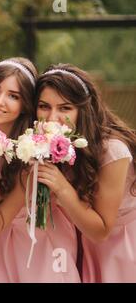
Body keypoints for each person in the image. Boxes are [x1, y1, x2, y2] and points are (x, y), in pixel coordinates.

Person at [0, 58, 81, 282]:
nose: (0, 101)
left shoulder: (30, 152)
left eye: (14, 95)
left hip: (39, 243)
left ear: (26, 104)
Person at [35, 63, 136, 282]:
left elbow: (101, 231)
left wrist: (62, 187)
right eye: (44, 106)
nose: (52, 118)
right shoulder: (48, 145)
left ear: (83, 109)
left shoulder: (112, 151)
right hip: (77, 247)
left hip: (121, 250)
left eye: (65, 108)